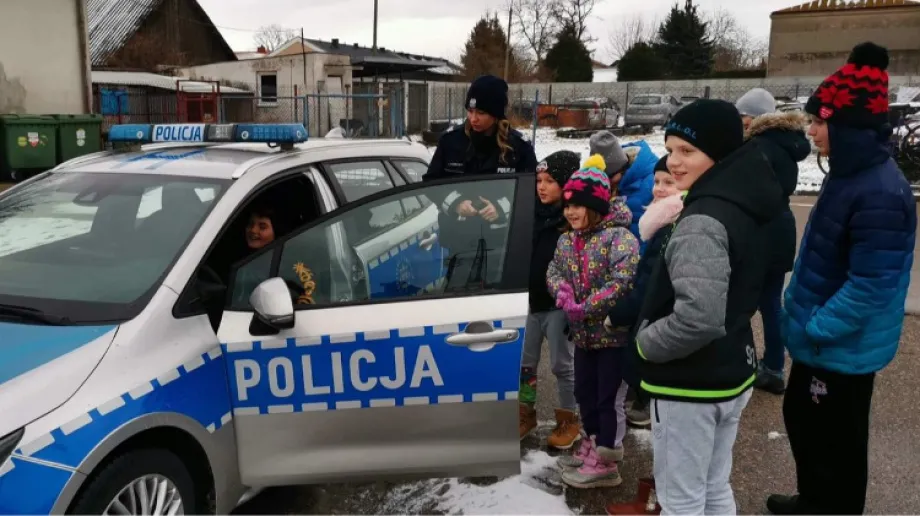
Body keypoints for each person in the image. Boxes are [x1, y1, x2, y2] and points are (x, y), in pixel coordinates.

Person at [767, 42, 917, 516]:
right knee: (805, 422)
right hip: (822, 339)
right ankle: (814, 501)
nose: (811, 131)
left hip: (840, 343)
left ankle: (833, 508)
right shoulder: (848, 174)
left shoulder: (880, 192)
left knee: (837, 442)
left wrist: (817, 326)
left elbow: (872, 284)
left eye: (820, 121)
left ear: (849, 126)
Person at [635, 99, 784, 514]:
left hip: (690, 381)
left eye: (688, 150)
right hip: (730, 366)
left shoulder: (703, 218)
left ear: (717, 153)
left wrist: (645, 344)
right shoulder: (746, 201)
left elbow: (698, 318)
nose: (674, 161)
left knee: (680, 498)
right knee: (714, 486)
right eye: (670, 149)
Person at [547, 155, 640, 489]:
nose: (570, 212)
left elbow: (622, 281)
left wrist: (585, 306)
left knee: (607, 397)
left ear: (596, 206)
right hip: (583, 336)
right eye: (567, 206)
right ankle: (592, 441)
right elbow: (554, 270)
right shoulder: (567, 240)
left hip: (612, 336)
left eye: (577, 206)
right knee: (584, 392)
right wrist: (561, 291)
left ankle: (607, 460)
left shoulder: (620, 239)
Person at [736, 87, 812, 394]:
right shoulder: (784, 143)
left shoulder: (758, 146)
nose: (741, 122)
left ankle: (747, 365)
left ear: (756, 118)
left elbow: (748, 191)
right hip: (780, 228)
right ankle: (774, 367)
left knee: (744, 303)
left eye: (743, 116)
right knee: (770, 304)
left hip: (760, 232)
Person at [603, 156, 684, 429]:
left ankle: (647, 403)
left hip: (660, 318)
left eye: (668, 182)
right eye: (657, 181)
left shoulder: (671, 226)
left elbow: (651, 282)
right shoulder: (660, 220)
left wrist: (620, 313)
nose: (659, 189)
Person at [520, 150, 582, 446]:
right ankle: (525, 413)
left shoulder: (570, 220)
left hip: (558, 308)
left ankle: (569, 418)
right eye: (538, 180)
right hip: (532, 304)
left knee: (561, 365)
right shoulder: (530, 214)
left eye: (549, 181)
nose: (541, 187)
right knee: (525, 365)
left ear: (566, 184)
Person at [424, 74, 538, 222]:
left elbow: (531, 188)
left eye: (481, 113)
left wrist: (502, 208)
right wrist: (456, 204)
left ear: (496, 115)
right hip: (457, 232)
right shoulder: (450, 141)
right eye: (470, 111)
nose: (473, 118)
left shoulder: (518, 147)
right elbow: (431, 183)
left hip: (502, 233)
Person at [588, 131, 658, 248]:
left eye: (609, 177)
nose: (606, 182)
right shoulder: (607, 183)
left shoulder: (654, 182)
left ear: (621, 169)